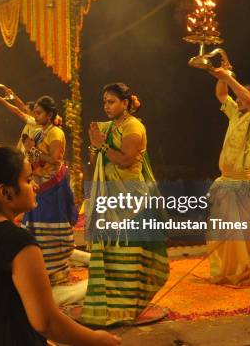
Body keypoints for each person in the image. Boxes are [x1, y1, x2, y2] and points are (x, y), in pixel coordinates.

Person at [0, 147, 120, 346]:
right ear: (5, 193)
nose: (36, 187)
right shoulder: (18, 243)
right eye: (28, 180)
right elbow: (46, 322)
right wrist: (97, 339)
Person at [82, 83, 169, 326]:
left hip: (131, 198)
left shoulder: (134, 126)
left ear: (125, 102)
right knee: (109, 252)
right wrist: (94, 144)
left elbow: (125, 159)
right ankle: (110, 306)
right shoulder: (107, 127)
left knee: (128, 253)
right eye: (104, 102)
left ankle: (128, 306)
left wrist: (101, 144)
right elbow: (93, 159)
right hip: (108, 197)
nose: (106, 106)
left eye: (111, 101)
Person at [207, 67, 250, 286]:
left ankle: (242, 274)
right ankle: (223, 273)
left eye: (243, 98)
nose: (239, 101)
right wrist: (223, 76)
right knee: (222, 231)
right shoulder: (236, 112)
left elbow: (243, 96)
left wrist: (228, 78)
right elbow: (221, 95)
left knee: (245, 233)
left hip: (246, 183)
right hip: (226, 181)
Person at [22, 96, 77, 285]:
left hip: (52, 188)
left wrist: (33, 150)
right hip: (38, 186)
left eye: (39, 113)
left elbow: (55, 159)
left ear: (50, 114)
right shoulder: (39, 133)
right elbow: (34, 156)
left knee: (51, 225)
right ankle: (41, 268)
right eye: (34, 112)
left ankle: (57, 270)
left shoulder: (55, 133)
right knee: (36, 227)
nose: (35, 116)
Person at [0, 88, 40, 153]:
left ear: (33, 112)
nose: (24, 111)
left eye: (26, 110)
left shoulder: (35, 122)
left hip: (30, 156)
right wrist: (12, 95)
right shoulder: (31, 120)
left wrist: (3, 102)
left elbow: (18, 111)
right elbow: (21, 106)